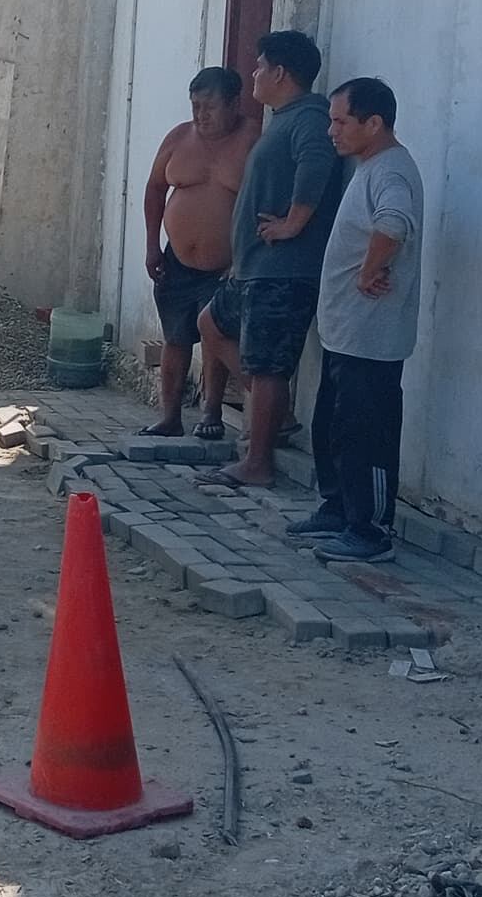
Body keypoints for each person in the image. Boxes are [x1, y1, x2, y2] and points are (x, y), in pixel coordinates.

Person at [197, 30, 345, 488]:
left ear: (280, 72)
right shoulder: (284, 119)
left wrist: (293, 223)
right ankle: (273, 416)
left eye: (260, 66)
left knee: (268, 367)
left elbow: (316, 164)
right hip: (254, 268)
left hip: (284, 269)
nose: (254, 74)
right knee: (211, 324)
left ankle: (257, 462)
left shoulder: (310, 117)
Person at [298, 77, 424, 563]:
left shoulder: (391, 171)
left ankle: (370, 532)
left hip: (371, 338)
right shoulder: (369, 167)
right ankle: (338, 509)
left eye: (340, 121)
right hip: (346, 333)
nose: (332, 130)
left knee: (365, 434)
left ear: (373, 124)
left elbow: (394, 222)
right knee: (334, 426)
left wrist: (371, 269)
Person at [139, 67, 257, 438]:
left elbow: (266, 203)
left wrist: (244, 259)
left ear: (234, 104)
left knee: (214, 337)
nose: (201, 115)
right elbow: (155, 188)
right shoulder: (179, 137)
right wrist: (152, 245)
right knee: (175, 338)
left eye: (210, 107)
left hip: (225, 266)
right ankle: (170, 416)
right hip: (176, 260)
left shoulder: (253, 139)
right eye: (195, 106)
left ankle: (211, 413)